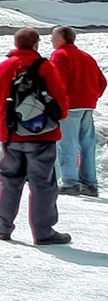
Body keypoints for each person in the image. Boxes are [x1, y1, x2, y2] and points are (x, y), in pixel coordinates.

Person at [0, 28, 72, 244]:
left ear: (16, 43)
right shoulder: (45, 67)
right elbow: (61, 103)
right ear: (36, 44)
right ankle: (43, 232)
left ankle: (3, 228)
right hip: (42, 135)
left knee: (9, 182)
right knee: (43, 184)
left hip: (11, 135)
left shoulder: (4, 67)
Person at [50, 26, 103, 196]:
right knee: (87, 144)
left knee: (68, 144)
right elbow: (102, 81)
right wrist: (92, 96)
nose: (51, 40)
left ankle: (70, 182)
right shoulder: (86, 56)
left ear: (61, 39)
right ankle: (89, 182)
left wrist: (55, 103)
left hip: (69, 106)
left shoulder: (60, 55)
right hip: (87, 104)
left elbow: (57, 82)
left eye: (53, 37)